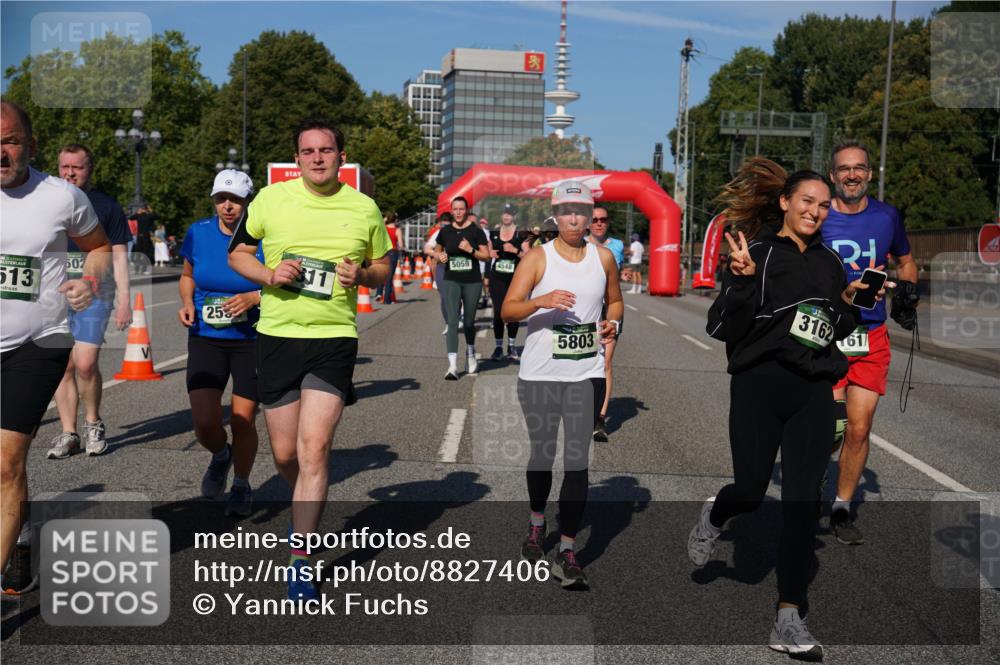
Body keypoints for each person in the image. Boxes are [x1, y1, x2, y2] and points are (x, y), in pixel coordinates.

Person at [689, 157, 885, 661]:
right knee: (751, 492)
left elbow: (835, 329)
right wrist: (739, 283)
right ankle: (717, 513)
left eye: (823, 206)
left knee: (802, 507)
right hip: (759, 387)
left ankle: (789, 616)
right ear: (784, 203)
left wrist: (852, 300)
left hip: (813, 393)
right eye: (806, 202)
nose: (816, 212)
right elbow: (721, 329)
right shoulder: (753, 253)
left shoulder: (829, 263)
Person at [228, 118, 391, 600]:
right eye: (308, 151)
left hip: (333, 339)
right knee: (285, 455)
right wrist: (268, 274)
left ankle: (300, 558)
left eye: (326, 150)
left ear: (341, 156)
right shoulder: (270, 200)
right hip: (277, 336)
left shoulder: (363, 208)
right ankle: (307, 503)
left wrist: (361, 272)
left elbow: (383, 269)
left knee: (314, 449)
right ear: (296, 158)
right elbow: (238, 253)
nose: (317, 158)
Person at [1, 100, 111, 595]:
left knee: (5, 462)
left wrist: (89, 280)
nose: (1, 153)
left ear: (30, 143)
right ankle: (21, 530)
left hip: (37, 342)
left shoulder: (62, 197)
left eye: (10, 140)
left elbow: (99, 248)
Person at [501, 181, 623, 590]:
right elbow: (508, 311)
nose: (575, 219)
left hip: (584, 372)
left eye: (582, 212)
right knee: (542, 454)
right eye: (567, 211)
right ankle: (538, 522)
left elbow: (616, 299)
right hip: (539, 374)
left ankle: (567, 550)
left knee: (576, 460)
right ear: (556, 214)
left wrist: (613, 324)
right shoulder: (538, 258)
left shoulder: (603, 258)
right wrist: (542, 300)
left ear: (591, 216)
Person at [820, 140, 918, 546]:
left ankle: (841, 508)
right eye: (845, 169)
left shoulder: (886, 216)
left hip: (871, 335)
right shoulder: (819, 214)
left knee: (859, 430)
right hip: (826, 333)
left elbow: (906, 260)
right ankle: (807, 487)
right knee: (831, 428)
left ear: (869, 174)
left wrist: (909, 292)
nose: (852, 175)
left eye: (859, 168)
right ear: (833, 176)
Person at [178, 169, 262, 517]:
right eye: (221, 199)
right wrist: (186, 302)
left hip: (251, 339)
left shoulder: (264, 237)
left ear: (248, 202)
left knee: (243, 420)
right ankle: (220, 455)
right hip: (206, 338)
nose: (228, 206)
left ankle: (241, 485)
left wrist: (253, 297)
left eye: (236, 200)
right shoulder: (198, 232)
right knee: (205, 423)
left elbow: (281, 284)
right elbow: (187, 275)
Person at [45, 144, 132, 460]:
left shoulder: (106, 207)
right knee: (62, 365)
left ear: (89, 170)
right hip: (52, 296)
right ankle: (69, 433)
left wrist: (124, 300)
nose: (69, 173)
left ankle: (93, 423)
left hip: (96, 293)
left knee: (84, 362)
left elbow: (120, 257)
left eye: (76, 168)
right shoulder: (46, 203)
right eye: (64, 167)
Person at [430, 196, 489, 380]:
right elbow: (436, 251)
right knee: (453, 321)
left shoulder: (475, 231)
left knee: (470, 322)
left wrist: (470, 250)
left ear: (467, 211)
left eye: (461, 209)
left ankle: (470, 353)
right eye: (455, 209)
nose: (458, 212)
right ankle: (452, 366)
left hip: (472, 281)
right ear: (452, 210)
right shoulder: (445, 231)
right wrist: (439, 256)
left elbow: (486, 256)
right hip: (451, 280)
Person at [587, 207, 626, 442]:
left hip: (609, 308)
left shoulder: (617, 246)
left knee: (605, 361)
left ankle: (599, 419)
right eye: (595, 220)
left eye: (603, 220)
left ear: (608, 222)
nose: (599, 223)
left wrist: (625, 275)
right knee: (583, 360)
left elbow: (615, 279)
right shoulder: (578, 244)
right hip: (585, 310)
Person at [487, 204, 526, 361]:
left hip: (515, 278)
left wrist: (515, 251)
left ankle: (511, 346)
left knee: (513, 312)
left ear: (514, 216)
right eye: (504, 213)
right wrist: (489, 253)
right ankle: (498, 347)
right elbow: (486, 252)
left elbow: (528, 256)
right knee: (498, 312)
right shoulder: (494, 233)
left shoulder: (520, 235)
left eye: (509, 213)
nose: (506, 216)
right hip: (497, 277)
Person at [423, 212, 453, 333]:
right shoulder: (437, 233)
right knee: (444, 297)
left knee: (457, 296)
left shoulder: (458, 232)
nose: (444, 228)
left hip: (456, 267)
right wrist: (437, 254)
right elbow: (427, 248)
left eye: (447, 225)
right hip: (442, 267)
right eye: (442, 225)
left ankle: (457, 315)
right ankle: (448, 323)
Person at [374, 212, 400, 305]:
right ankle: (387, 299)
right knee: (389, 277)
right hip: (393, 252)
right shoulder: (397, 230)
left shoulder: (384, 228)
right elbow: (401, 245)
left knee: (382, 273)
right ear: (395, 219)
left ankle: (379, 293)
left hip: (384, 252)